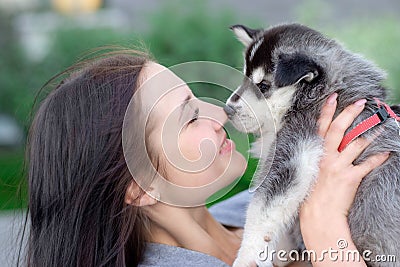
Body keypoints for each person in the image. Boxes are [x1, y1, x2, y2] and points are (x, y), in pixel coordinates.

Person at [24, 49, 389, 267]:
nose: (220, 115)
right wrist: (325, 228)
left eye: (197, 98)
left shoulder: (285, 197)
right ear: (139, 187)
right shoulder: (317, 207)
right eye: (190, 117)